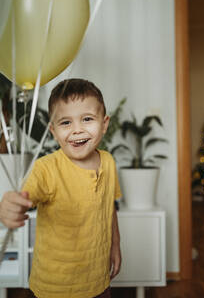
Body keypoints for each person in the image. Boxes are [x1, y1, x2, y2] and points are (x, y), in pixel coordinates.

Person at [0, 78, 122, 298]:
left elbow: (109, 207)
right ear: (53, 130)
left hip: (98, 282)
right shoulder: (45, 169)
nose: (77, 130)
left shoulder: (109, 162)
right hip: (54, 287)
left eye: (87, 119)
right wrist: (9, 205)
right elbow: (24, 197)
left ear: (104, 124)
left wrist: (115, 245)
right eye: (65, 123)